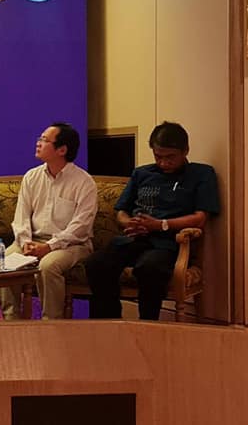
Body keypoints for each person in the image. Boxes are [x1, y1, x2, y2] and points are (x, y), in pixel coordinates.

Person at [85, 121, 219, 321]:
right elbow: (121, 211)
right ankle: (110, 322)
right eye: (158, 157)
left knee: (149, 268)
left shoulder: (201, 174)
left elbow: (200, 217)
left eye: (170, 157)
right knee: (96, 263)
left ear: (185, 151)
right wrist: (128, 223)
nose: (163, 163)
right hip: (134, 239)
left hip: (168, 243)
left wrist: (160, 225)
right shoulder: (142, 173)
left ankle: (148, 325)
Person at [0, 123, 97, 320]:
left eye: (44, 140)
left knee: (48, 265)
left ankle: (51, 323)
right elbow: (21, 217)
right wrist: (25, 242)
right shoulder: (32, 177)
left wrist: (49, 246)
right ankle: (11, 321)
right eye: (40, 138)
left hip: (72, 245)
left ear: (62, 150)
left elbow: (80, 227)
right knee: (4, 261)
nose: (38, 143)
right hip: (33, 240)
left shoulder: (84, 182)